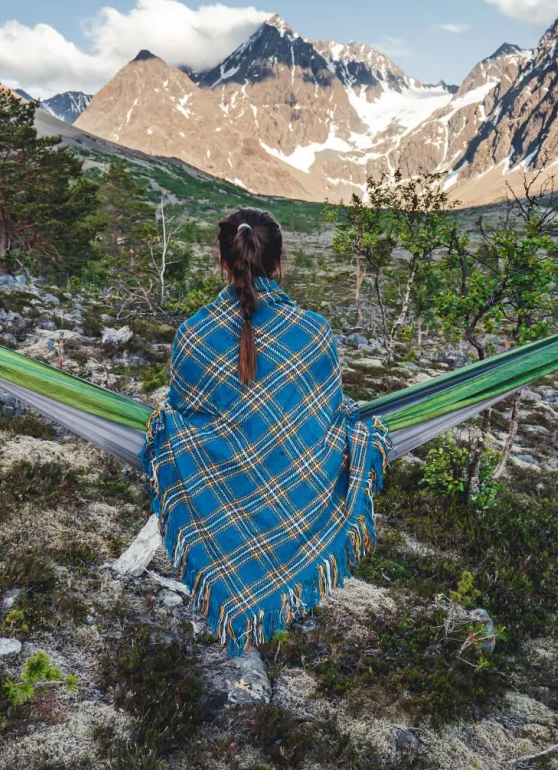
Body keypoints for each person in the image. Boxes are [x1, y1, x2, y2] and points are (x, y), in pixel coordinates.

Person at [141, 208, 389, 651]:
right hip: (292, 492)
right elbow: (332, 419)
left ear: (222, 261)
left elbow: (178, 419)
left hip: (218, 492)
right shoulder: (314, 333)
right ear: (279, 262)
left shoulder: (193, 335)